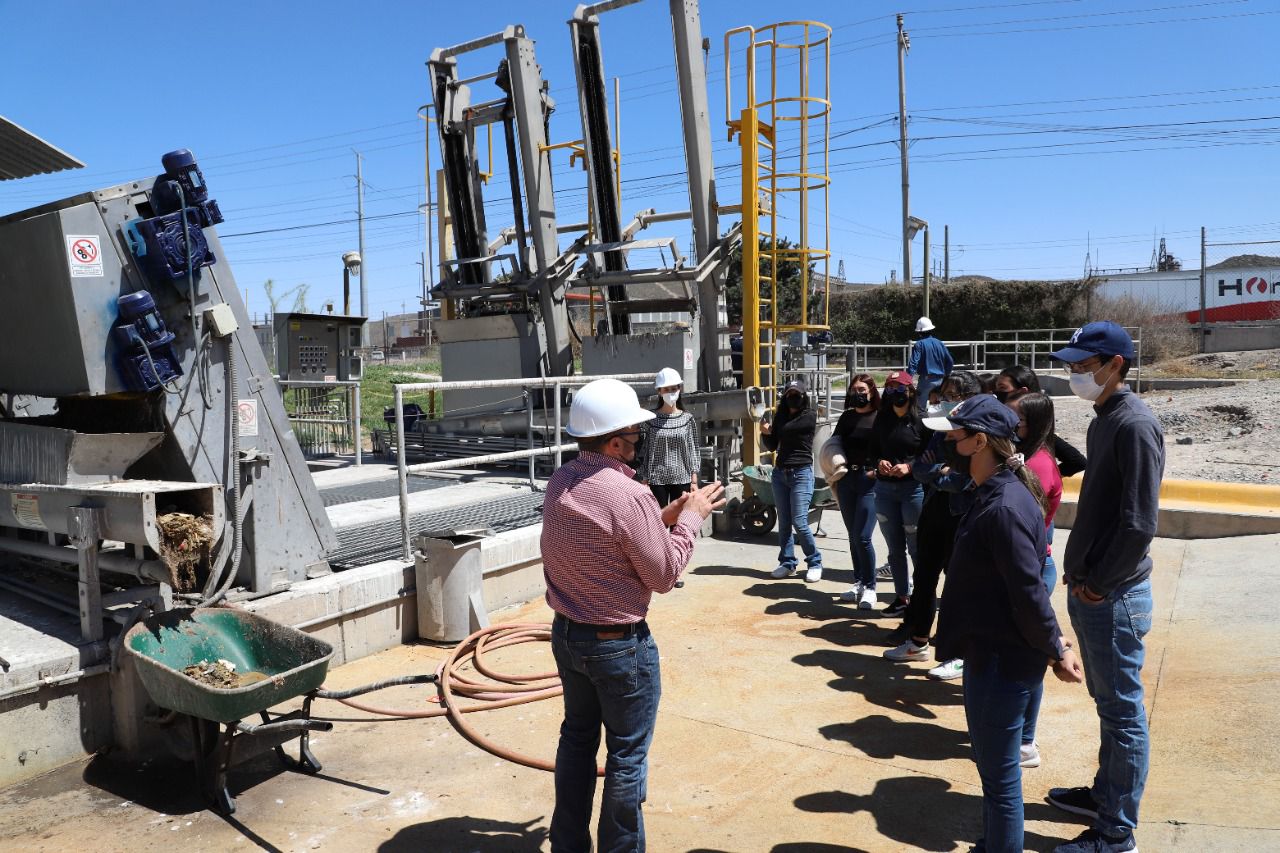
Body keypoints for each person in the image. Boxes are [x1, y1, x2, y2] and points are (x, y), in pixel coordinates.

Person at [543, 379, 724, 853]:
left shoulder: (562, 480)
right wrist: (692, 518)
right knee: (625, 758)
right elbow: (663, 575)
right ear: (614, 442)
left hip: (569, 637)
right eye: (635, 435)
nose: (640, 441)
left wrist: (663, 516)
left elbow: (608, 538)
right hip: (618, 647)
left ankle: (568, 845)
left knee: (577, 740)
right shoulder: (628, 495)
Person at [926, 394, 1085, 853]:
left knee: (999, 781)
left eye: (954, 437)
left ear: (979, 442)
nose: (947, 445)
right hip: (989, 652)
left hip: (1002, 661)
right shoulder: (995, 493)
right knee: (994, 775)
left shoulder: (1004, 506)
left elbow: (1028, 592)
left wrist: (1057, 647)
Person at [1046, 322, 1165, 853]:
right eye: (1071, 365)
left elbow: (1138, 523)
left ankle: (1116, 834)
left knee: (1122, 714)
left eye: (1083, 365)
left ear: (1116, 364)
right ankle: (1105, 795)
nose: (1075, 373)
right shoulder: (1105, 419)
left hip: (1113, 596)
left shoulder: (1133, 424)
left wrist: (1099, 583)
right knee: (1110, 708)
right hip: (1096, 590)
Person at [884, 370, 983, 673]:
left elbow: (966, 480)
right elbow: (921, 469)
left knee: (958, 585)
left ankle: (959, 654)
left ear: (969, 398)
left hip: (961, 516)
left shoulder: (980, 432)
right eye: (944, 395)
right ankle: (918, 642)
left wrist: (939, 472)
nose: (944, 401)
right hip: (933, 511)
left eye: (952, 395)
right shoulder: (941, 429)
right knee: (925, 579)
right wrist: (942, 471)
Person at [1005, 391, 1064, 770]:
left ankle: (1026, 741)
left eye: (1019, 420)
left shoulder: (1038, 464)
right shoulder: (1026, 457)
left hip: (1032, 568)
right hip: (1028, 564)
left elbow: (1028, 518)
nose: (1012, 425)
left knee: (1028, 661)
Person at [868, 370, 927, 616]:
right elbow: (872, 450)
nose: (895, 393)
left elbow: (931, 456)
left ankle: (922, 599)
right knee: (894, 549)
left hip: (912, 490)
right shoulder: (882, 419)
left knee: (916, 548)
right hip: (884, 490)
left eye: (900, 388)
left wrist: (910, 467)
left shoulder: (922, 420)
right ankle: (902, 597)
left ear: (910, 391)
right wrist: (879, 462)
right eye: (890, 388)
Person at [763, 380, 826, 583]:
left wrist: (773, 428)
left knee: (799, 522)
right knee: (784, 523)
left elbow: (789, 430)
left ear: (804, 396)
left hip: (801, 473)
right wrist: (765, 433)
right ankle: (787, 562)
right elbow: (772, 445)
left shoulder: (809, 415)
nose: (793, 398)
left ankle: (815, 561)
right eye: (790, 394)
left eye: (797, 394)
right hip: (780, 473)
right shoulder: (781, 416)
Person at [831, 373, 880, 609]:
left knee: (863, 536)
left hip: (869, 480)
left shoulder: (880, 417)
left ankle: (870, 586)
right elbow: (834, 444)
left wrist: (879, 470)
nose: (858, 394)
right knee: (852, 536)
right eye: (854, 390)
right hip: (847, 479)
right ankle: (859, 581)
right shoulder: (847, 417)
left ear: (871, 391)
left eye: (862, 390)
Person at [995, 365, 1087, 477]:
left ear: (1022, 392)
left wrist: (1043, 477)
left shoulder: (1038, 436)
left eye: (1002, 388)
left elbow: (1077, 462)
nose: (995, 393)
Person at [636, 367, 700, 508]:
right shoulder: (650, 419)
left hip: (682, 477)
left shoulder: (687, 419)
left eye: (673, 388)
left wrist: (694, 480)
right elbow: (643, 451)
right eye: (666, 389)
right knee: (659, 517)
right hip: (657, 479)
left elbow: (693, 449)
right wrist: (643, 478)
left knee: (680, 518)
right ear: (659, 391)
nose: (670, 392)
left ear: (679, 389)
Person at [907, 317, 954, 415]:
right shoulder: (939, 343)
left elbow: (913, 363)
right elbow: (950, 361)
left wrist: (907, 379)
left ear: (919, 332)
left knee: (919, 408)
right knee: (941, 408)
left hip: (926, 380)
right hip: (941, 380)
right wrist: (946, 375)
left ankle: (921, 422)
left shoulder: (919, 344)